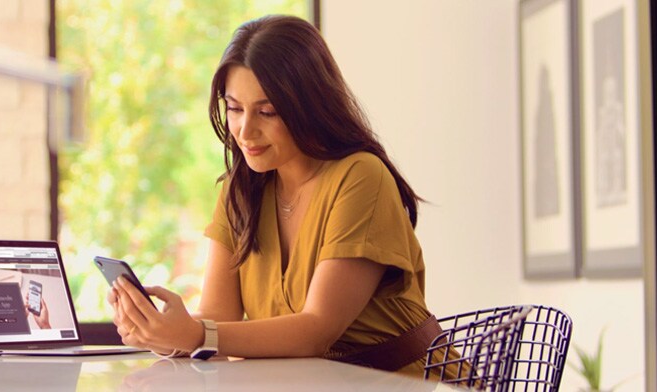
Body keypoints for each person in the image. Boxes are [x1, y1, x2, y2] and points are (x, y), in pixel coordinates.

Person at [109, 14, 452, 378]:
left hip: (407, 383)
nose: (244, 130)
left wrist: (197, 334)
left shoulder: (359, 176)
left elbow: (317, 331)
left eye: (267, 111)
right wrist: (161, 332)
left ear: (310, 106)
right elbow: (218, 320)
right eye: (235, 108)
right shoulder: (239, 191)